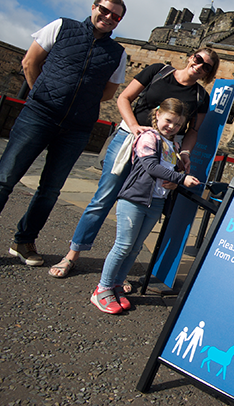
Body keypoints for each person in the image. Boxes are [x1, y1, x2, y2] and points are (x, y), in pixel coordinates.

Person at [0, 0, 128, 273]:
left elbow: (108, 92)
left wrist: (76, 105)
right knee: (4, 179)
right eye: (105, 11)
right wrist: (42, 96)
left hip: (76, 127)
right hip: (39, 116)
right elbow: (29, 62)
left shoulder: (117, 53)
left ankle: (24, 240)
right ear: (94, 7)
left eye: (116, 16)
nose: (109, 18)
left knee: (50, 190)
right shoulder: (62, 26)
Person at [48, 47, 219, 280]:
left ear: (208, 73)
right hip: (128, 139)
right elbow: (124, 98)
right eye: (198, 59)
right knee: (103, 198)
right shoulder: (158, 71)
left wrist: (185, 154)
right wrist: (135, 127)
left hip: (162, 153)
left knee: (142, 207)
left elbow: (193, 131)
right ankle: (72, 254)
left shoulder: (200, 97)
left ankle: (118, 275)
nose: (199, 66)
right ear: (191, 57)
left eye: (206, 66)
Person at [90, 98, 200, 314]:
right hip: (134, 199)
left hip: (156, 202)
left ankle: (117, 286)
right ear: (158, 114)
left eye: (178, 125)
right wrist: (180, 179)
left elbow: (172, 172)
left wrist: (176, 178)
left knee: (135, 247)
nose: (172, 127)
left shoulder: (173, 145)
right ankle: (102, 289)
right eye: (169, 121)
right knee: (123, 245)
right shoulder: (148, 137)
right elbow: (151, 167)